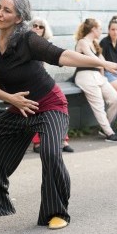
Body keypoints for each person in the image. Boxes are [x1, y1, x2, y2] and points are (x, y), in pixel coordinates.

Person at [0, 0, 117, 230]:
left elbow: (63, 55)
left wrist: (102, 63)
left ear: (19, 18)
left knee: (49, 152)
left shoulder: (28, 40)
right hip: (20, 108)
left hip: (50, 106)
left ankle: (56, 212)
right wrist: (10, 99)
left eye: (7, 10)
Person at [29, 17, 74, 153]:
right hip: (27, 84)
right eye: (35, 25)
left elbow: (58, 58)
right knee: (36, 109)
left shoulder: (44, 45)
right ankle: (37, 143)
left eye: (40, 27)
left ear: (44, 30)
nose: (37, 28)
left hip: (41, 83)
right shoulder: (25, 43)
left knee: (59, 104)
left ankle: (62, 140)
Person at [74, 18, 117, 142]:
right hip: (85, 76)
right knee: (99, 105)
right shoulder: (82, 42)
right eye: (100, 28)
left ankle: (106, 127)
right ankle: (109, 133)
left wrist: (111, 70)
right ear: (93, 29)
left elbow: (102, 63)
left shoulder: (95, 43)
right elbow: (93, 59)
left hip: (97, 76)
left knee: (115, 99)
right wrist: (106, 66)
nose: (101, 31)